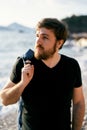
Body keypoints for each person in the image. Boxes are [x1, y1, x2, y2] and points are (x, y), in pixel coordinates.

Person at [0, 18, 85, 130]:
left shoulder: (71, 66)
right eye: (37, 36)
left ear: (59, 43)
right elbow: (5, 100)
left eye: (44, 37)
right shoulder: (23, 63)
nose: (38, 41)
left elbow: (78, 102)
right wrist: (22, 83)